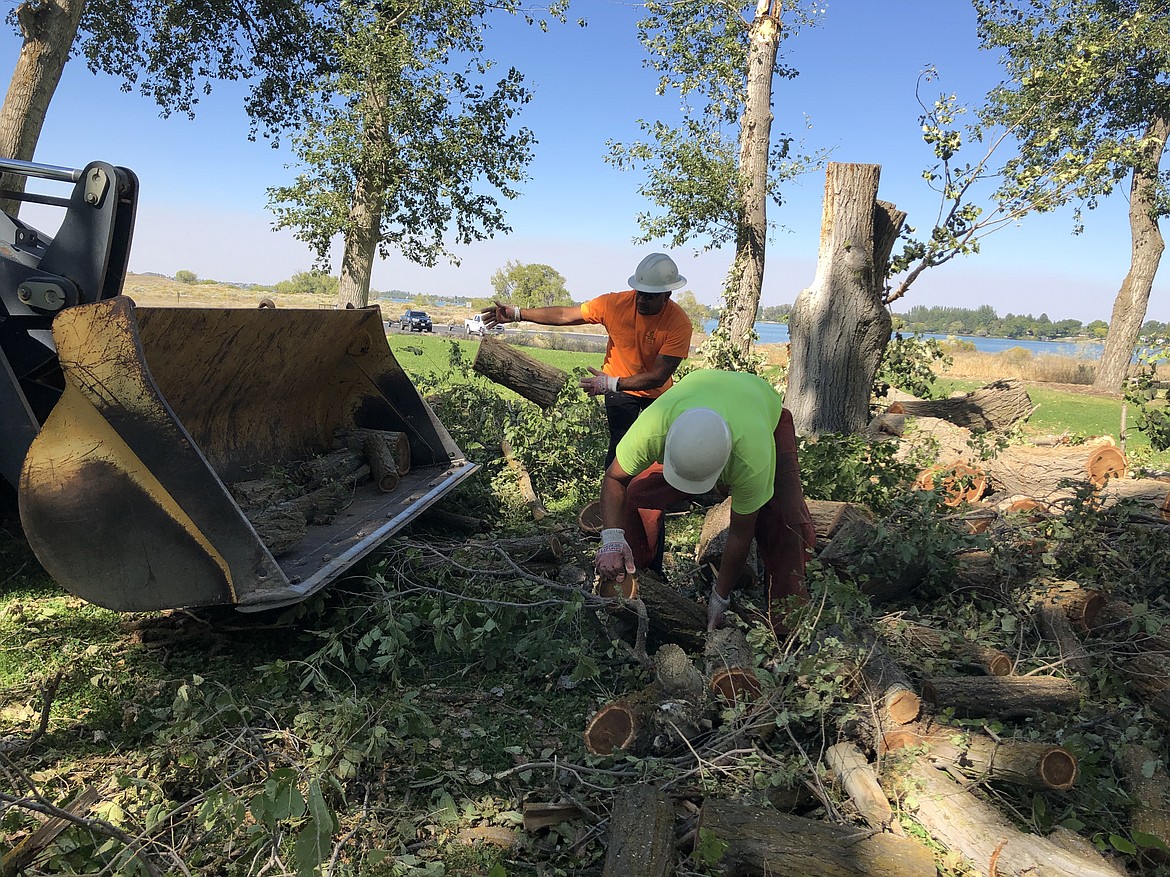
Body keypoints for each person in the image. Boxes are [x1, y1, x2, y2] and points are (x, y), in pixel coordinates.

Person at [593, 369, 816, 634]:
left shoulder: (752, 456)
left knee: (785, 523)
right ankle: (638, 578)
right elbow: (615, 479)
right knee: (636, 492)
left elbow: (739, 533)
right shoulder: (654, 427)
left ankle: (786, 627)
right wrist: (612, 540)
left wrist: (720, 596)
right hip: (699, 401)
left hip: (762, 412)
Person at [481, 253, 694, 468]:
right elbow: (565, 315)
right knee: (622, 448)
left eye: (649, 296)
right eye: (639, 292)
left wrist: (610, 383)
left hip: (653, 392)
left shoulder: (679, 324)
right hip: (619, 389)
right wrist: (518, 313)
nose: (641, 300)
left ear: (666, 295)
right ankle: (613, 495)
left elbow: (658, 376)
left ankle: (657, 497)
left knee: (658, 450)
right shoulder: (614, 304)